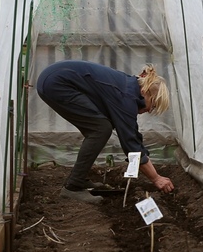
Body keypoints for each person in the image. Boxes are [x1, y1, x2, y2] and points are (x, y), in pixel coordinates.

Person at [36, 60, 175, 204]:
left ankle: (79, 179)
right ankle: (73, 187)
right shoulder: (126, 97)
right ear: (145, 92)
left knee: (98, 128)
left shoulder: (128, 88)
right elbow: (131, 144)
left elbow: (132, 136)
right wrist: (156, 178)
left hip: (54, 79)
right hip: (57, 84)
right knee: (100, 129)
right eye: (152, 105)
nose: (148, 110)